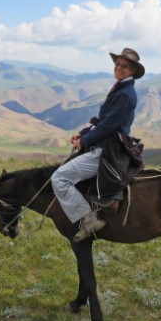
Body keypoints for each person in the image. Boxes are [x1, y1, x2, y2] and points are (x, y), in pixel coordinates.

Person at [52, 48, 145, 242]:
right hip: (104, 142)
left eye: (124, 66)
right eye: (117, 64)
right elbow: (104, 121)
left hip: (106, 149)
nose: (119, 68)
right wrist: (83, 133)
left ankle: (90, 218)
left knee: (59, 179)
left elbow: (110, 126)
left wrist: (85, 141)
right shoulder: (120, 88)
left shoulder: (125, 94)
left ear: (133, 71)